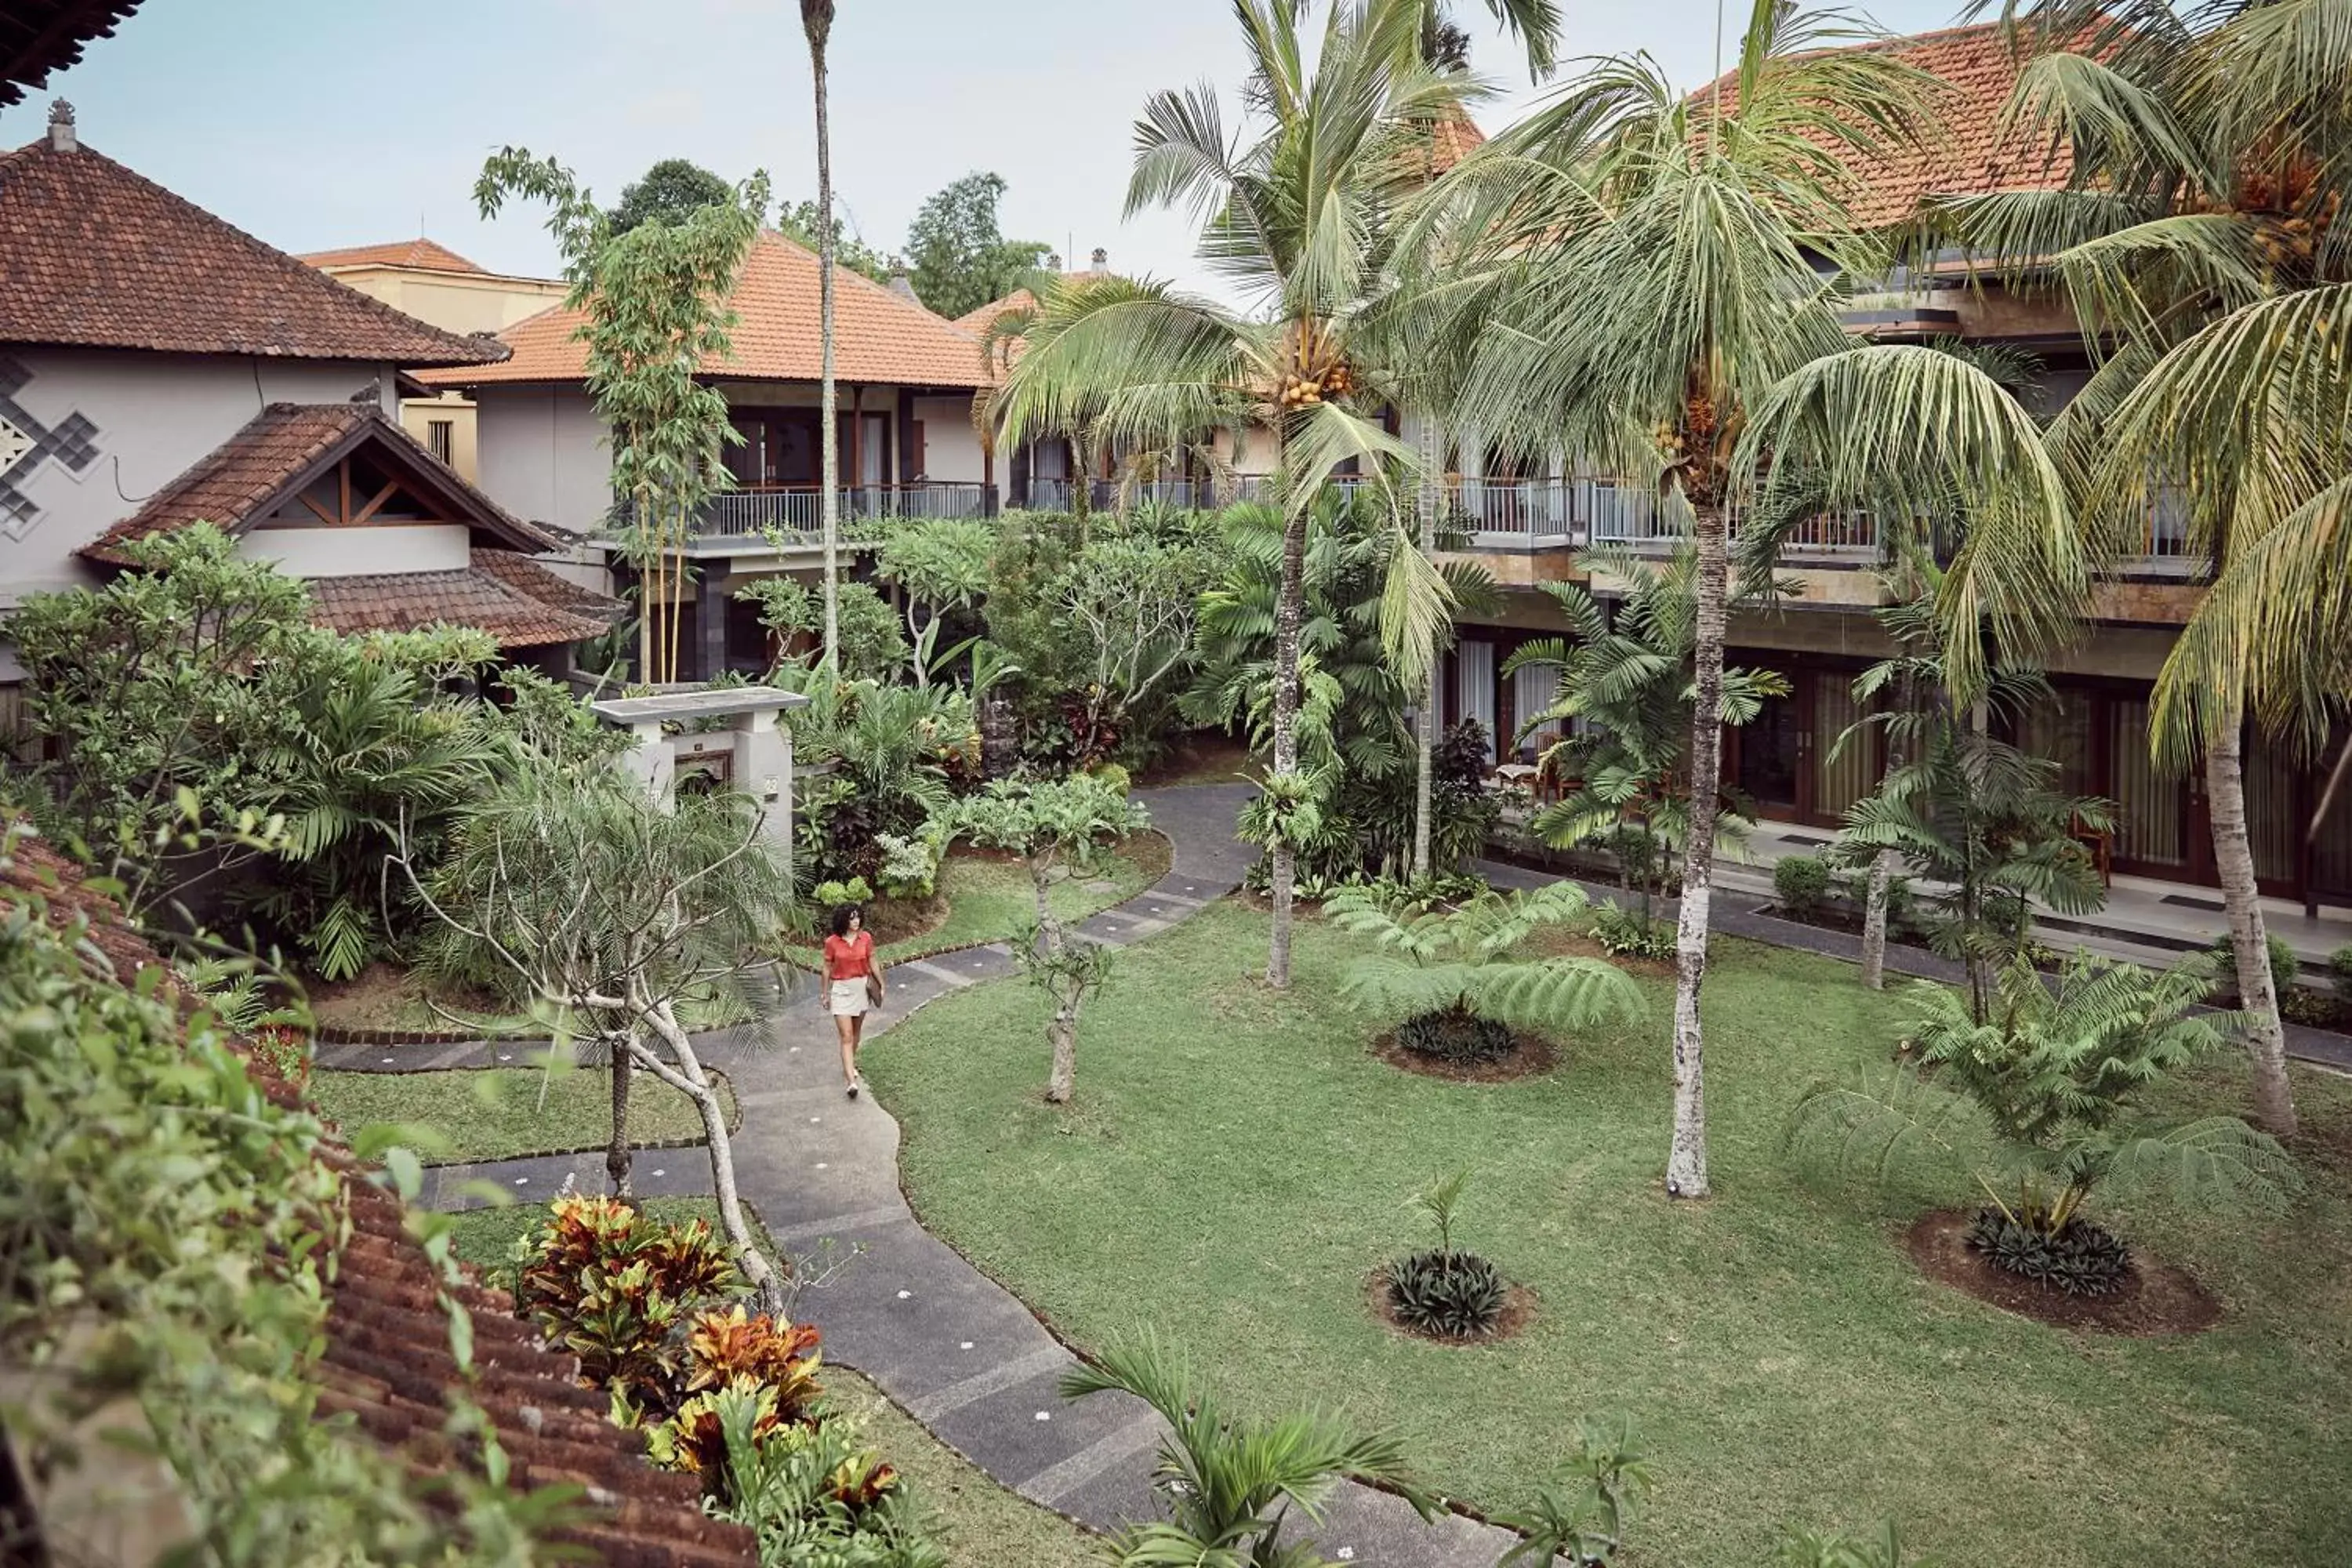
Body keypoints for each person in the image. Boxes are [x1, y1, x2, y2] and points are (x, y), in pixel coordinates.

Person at [822, 902, 884, 1098]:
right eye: (851, 918)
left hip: (861, 988)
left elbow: (872, 961)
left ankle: (850, 1064)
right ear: (843, 920)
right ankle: (851, 1082)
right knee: (846, 1036)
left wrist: (881, 984)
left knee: (856, 1032)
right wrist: (824, 993)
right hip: (841, 990)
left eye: (858, 917)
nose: (856, 921)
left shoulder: (866, 939)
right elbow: (826, 968)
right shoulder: (832, 942)